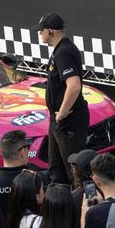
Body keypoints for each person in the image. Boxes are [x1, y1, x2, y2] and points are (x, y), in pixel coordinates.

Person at [37, 13, 87, 184]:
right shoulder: (60, 50)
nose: (39, 34)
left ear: (50, 31)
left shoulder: (63, 52)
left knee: (74, 172)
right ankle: (58, 205)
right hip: (59, 120)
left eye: (41, 30)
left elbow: (74, 86)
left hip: (67, 121)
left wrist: (62, 114)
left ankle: (78, 206)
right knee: (56, 171)